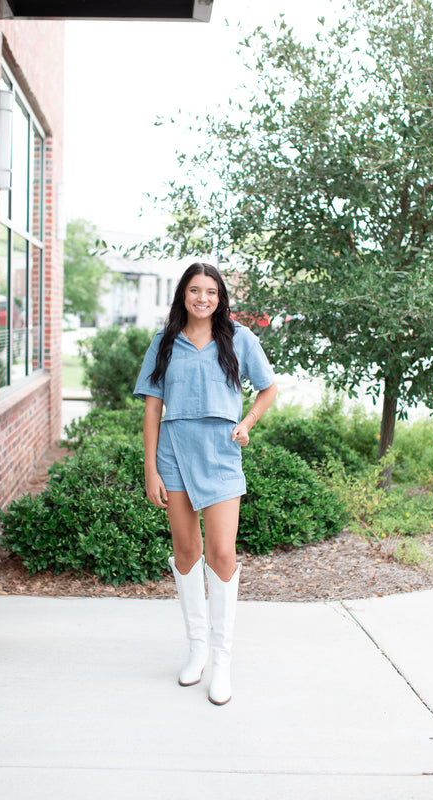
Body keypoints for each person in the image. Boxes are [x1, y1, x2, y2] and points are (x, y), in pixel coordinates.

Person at [134, 262, 277, 705]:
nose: (203, 298)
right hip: (173, 454)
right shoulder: (164, 343)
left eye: (211, 291)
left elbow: (268, 388)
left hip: (220, 455)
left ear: (220, 297)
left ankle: (221, 659)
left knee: (221, 553)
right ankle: (196, 648)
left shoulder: (239, 338)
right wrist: (150, 470)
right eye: (195, 290)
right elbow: (152, 409)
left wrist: (248, 422)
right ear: (183, 295)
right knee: (186, 552)